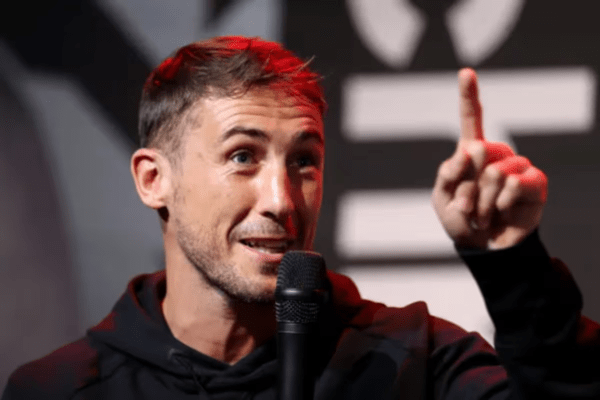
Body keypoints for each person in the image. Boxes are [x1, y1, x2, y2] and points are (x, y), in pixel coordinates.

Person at [2, 36, 599, 399]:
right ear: (154, 179)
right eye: (243, 156)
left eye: (304, 161)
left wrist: (512, 263)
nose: (283, 200)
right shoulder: (61, 389)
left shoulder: (414, 363)